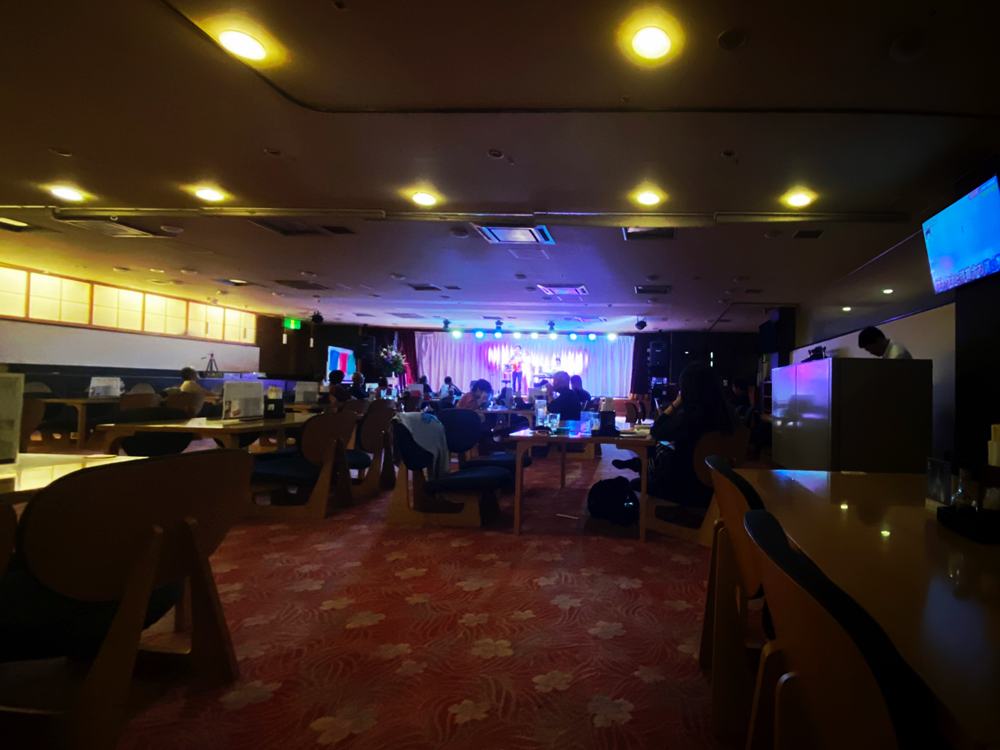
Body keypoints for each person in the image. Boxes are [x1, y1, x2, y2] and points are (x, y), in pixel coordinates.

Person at [613, 361, 737, 509]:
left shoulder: (689, 419)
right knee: (663, 452)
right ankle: (640, 464)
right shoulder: (731, 416)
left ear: (687, 391)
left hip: (684, 489)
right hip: (719, 488)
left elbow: (656, 431)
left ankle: (641, 465)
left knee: (635, 482)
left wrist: (676, 403)